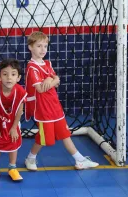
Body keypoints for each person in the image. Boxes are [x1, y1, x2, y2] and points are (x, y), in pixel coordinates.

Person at [24, 31, 99, 170]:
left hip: (54, 104)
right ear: (30, 47)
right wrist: (51, 80)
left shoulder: (47, 63)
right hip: (43, 107)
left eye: (45, 46)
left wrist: (52, 80)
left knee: (65, 133)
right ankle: (30, 158)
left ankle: (80, 160)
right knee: (45, 137)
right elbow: (40, 89)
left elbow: (57, 80)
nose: (42, 49)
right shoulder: (31, 67)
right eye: (39, 46)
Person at [0, 59, 27, 183]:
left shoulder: (21, 92)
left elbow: (20, 109)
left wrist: (14, 127)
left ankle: (12, 168)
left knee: (13, 141)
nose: (9, 78)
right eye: (5, 74)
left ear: (18, 77)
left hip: (13, 122)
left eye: (13, 74)